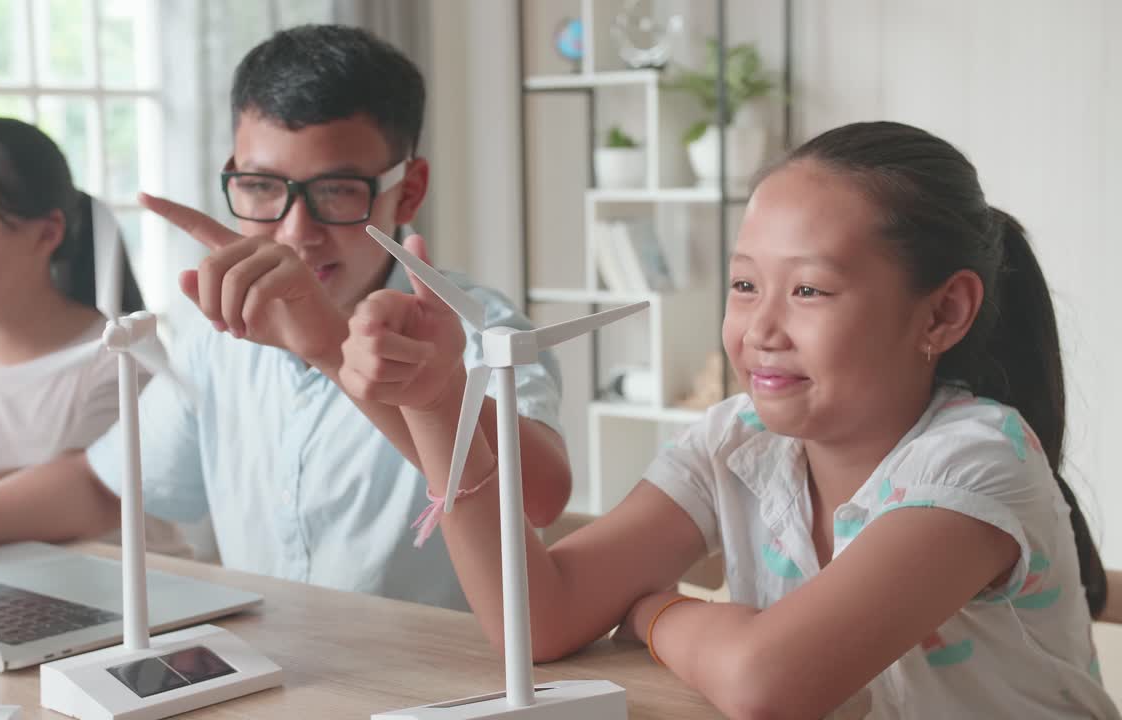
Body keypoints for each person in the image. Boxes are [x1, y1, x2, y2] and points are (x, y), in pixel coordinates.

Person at [339, 120, 1119, 718]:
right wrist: (436, 399)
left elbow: (764, 682)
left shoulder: (976, 462)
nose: (761, 329)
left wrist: (655, 608)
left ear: (944, 311)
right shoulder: (738, 441)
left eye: (809, 291)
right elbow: (537, 620)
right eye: (745, 285)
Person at [0, 25, 571, 611]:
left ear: (407, 189)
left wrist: (326, 342)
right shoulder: (221, 335)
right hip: (278, 673)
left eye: (338, 191)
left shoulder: (477, 329)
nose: (298, 232)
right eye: (263, 188)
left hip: (434, 684)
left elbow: (541, 497)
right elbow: (104, 485)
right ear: (231, 178)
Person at [0, 117, 187, 554]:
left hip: (137, 591)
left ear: (47, 232)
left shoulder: (121, 357)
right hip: (16, 583)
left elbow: (81, 488)